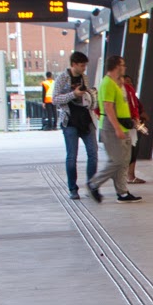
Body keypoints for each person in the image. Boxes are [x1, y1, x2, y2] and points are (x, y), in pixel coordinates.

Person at [86, 55, 142, 203]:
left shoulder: (119, 83)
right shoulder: (108, 83)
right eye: (122, 65)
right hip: (112, 126)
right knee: (116, 160)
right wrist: (117, 128)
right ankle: (94, 183)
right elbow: (108, 107)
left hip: (123, 125)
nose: (125, 67)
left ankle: (122, 192)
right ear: (116, 66)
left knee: (124, 160)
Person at [54, 52, 97, 200]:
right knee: (72, 157)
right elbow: (55, 99)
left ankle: (91, 186)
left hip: (86, 119)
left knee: (93, 154)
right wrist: (73, 94)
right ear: (73, 64)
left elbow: (87, 94)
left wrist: (92, 97)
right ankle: (73, 188)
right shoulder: (62, 77)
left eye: (85, 65)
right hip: (70, 121)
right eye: (81, 65)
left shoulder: (84, 77)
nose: (84, 68)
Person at [123, 75, 148, 184]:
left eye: (130, 82)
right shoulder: (121, 96)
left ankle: (130, 175)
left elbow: (141, 110)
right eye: (126, 82)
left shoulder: (134, 97)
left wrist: (139, 119)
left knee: (134, 150)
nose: (129, 85)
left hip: (134, 126)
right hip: (124, 127)